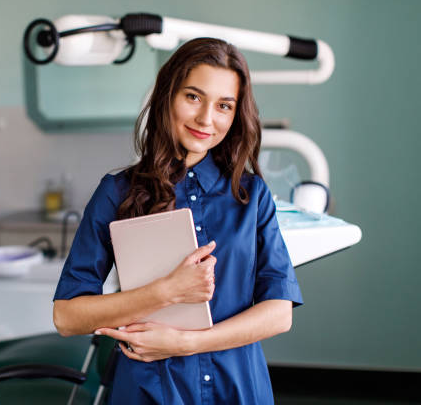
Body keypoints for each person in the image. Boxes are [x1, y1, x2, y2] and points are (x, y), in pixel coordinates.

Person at [53, 37, 303, 404]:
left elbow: (279, 313)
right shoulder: (116, 192)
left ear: (236, 115)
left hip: (237, 389)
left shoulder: (252, 197)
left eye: (224, 105)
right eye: (193, 97)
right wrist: (166, 290)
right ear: (168, 95)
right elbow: (67, 316)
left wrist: (188, 343)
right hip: (148, 389)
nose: (206, 118)